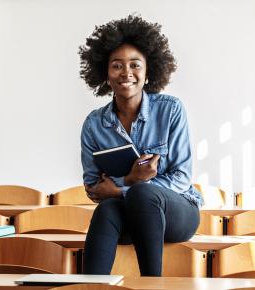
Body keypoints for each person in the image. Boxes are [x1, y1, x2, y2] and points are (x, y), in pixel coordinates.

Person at [79, 15, 204, 276]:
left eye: (135, 65)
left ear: (148, 73)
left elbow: (181, 178)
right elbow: (95, 189)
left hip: (177, 212)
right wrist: (127, 182)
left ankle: (152, 284)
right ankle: (90, 285)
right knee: (107, 209)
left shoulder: (171, 110)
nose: (126, 73)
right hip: (127, 216)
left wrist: (124, 187)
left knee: (141, 193)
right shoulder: (93, 125)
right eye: (116, 66)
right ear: (106, 73)